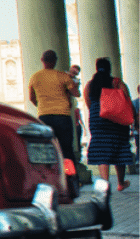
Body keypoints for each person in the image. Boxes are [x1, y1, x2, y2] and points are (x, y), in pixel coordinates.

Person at [85, 57, 136, 192]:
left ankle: (105, 183)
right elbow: (127, 99)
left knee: (102, 148)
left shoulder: (90, 84)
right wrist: (133, 117)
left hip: (97, 118)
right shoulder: (116, 82)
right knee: (119, 147)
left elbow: (88, 102)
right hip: (116, 119)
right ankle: (120, 182)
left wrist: (98, 111)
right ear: (109, 68)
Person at [27, 49, 77, 165]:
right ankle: (72, 179)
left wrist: (41, 106)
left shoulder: (35, 77)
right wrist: (73, 82)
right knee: (66, 149)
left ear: (42, 60)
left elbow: (31, 98)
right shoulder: (63, 76)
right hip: (63, 116)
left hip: (44, 116)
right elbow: (76, 93)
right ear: (55, 61)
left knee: (48, 149)